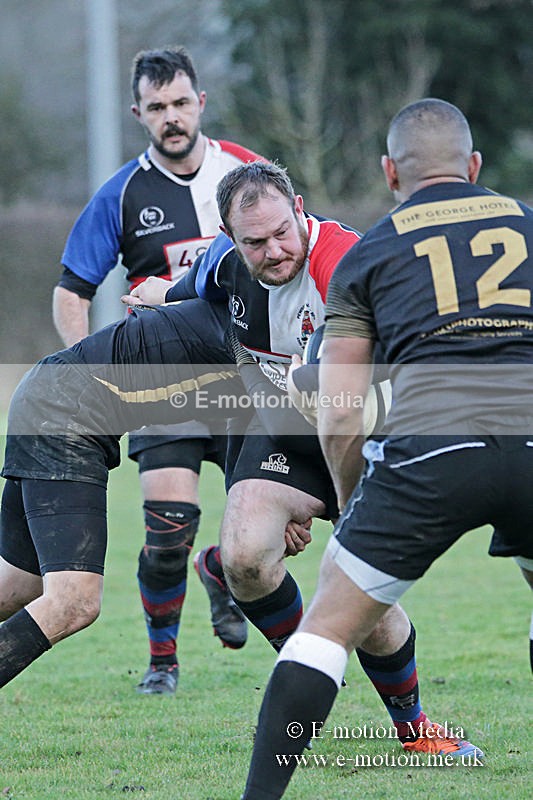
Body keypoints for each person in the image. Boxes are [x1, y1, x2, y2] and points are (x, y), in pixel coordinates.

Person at [123, 161, 482, 759]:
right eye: (254, 242)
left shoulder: (345, 265)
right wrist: (154, 297)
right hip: (282, 430)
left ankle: (416, 730)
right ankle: (312, 666)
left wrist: (333, 500)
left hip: (361, 436)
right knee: (243, 557)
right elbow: (183, 294)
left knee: (367, 600)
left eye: (282, 232)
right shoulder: (223, 261)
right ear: (232, 239)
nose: (273, 250)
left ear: (298, 208)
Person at [241, 100, 533, 800]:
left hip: (431, 449)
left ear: (388, 174)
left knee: (326, 631)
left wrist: (350, 502)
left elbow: (340, 408)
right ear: (472, 168)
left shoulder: (368, 253)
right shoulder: (527, 223)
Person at [52, 46, 265, 694]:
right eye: (157, 108)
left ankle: (221, 568)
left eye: (180, 103)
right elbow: (72, 291)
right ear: (138, 113)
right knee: (166, 528)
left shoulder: (246, 173)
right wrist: (89, 372)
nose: (171, 117)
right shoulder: (121, 193)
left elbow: (290, 250)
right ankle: (162, 665)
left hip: (244, 377)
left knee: (268, 531)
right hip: (163, 379)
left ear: (199, 102)